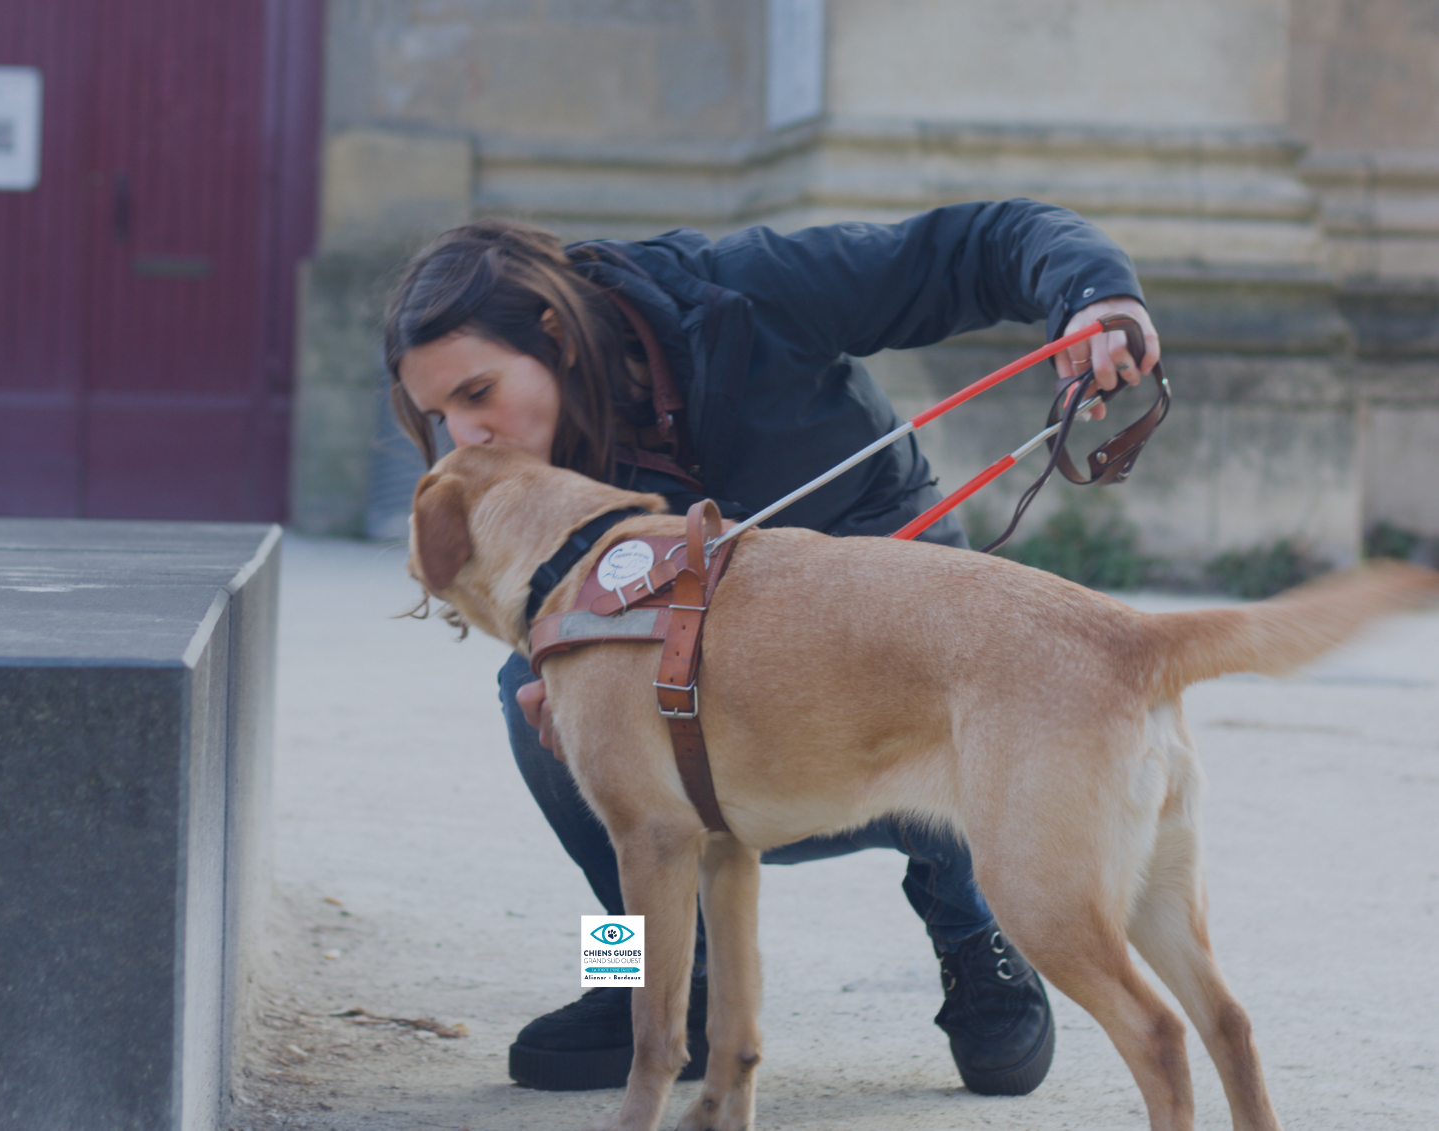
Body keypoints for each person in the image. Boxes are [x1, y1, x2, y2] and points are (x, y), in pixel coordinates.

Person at [384, 204, 1161, 1096]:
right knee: (537, 700)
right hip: (711, 723)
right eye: (439, 413)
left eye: (477, 393)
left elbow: (974, 245)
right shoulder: (539, 467)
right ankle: (637, 978)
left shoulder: (747, 291)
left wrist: (1096, 297)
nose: (465, 435)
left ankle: (974, 937)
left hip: (893, 673)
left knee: (959, 710)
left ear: (556, 334)